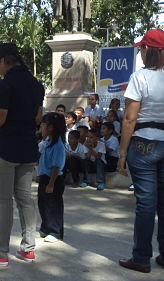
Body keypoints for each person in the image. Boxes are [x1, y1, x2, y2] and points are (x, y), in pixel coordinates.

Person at [0, 42, 44, 266]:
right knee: (25, 199)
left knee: (3, 202)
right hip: (27, 149)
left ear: (4, 60)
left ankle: (0, 252)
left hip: (4, 150)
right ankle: (28, 249)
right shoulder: (36, 85)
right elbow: (37, 118)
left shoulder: (5, 86)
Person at [117, 29, 164, 273]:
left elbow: (129, 118)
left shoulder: (140, 77)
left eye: (142, 48)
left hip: (144, 143)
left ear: (149, 50)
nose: (140, 52)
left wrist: (122, 153)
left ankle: (141, 258)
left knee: (146, 204)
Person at [37, 112, 66, 243]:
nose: (41, 127)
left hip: (53, 179)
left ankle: (55, 231)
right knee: (43, 204)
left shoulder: (58, 145)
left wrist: (51, 183)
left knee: (53, 206)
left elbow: (56, 166)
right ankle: (45, 228)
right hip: (44, 178)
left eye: (43, 125)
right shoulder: (47, 142)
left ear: (51, 127)